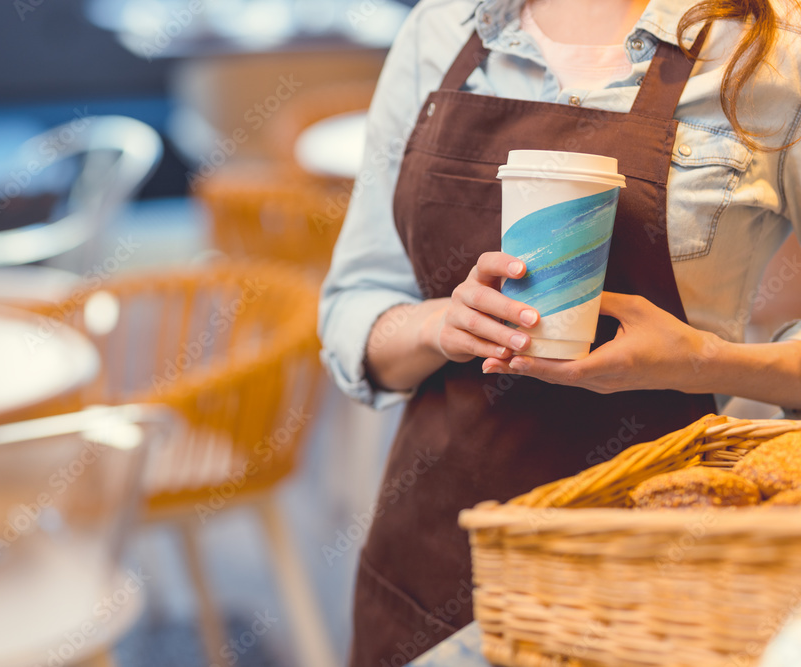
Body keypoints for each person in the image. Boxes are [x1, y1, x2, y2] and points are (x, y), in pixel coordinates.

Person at [317, 0, 801, 664]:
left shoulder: (773, 48)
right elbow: (354, 302)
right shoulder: (443, 27)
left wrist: (706, 360)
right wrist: (439, 324)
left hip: (665, 583)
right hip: (433, 565)